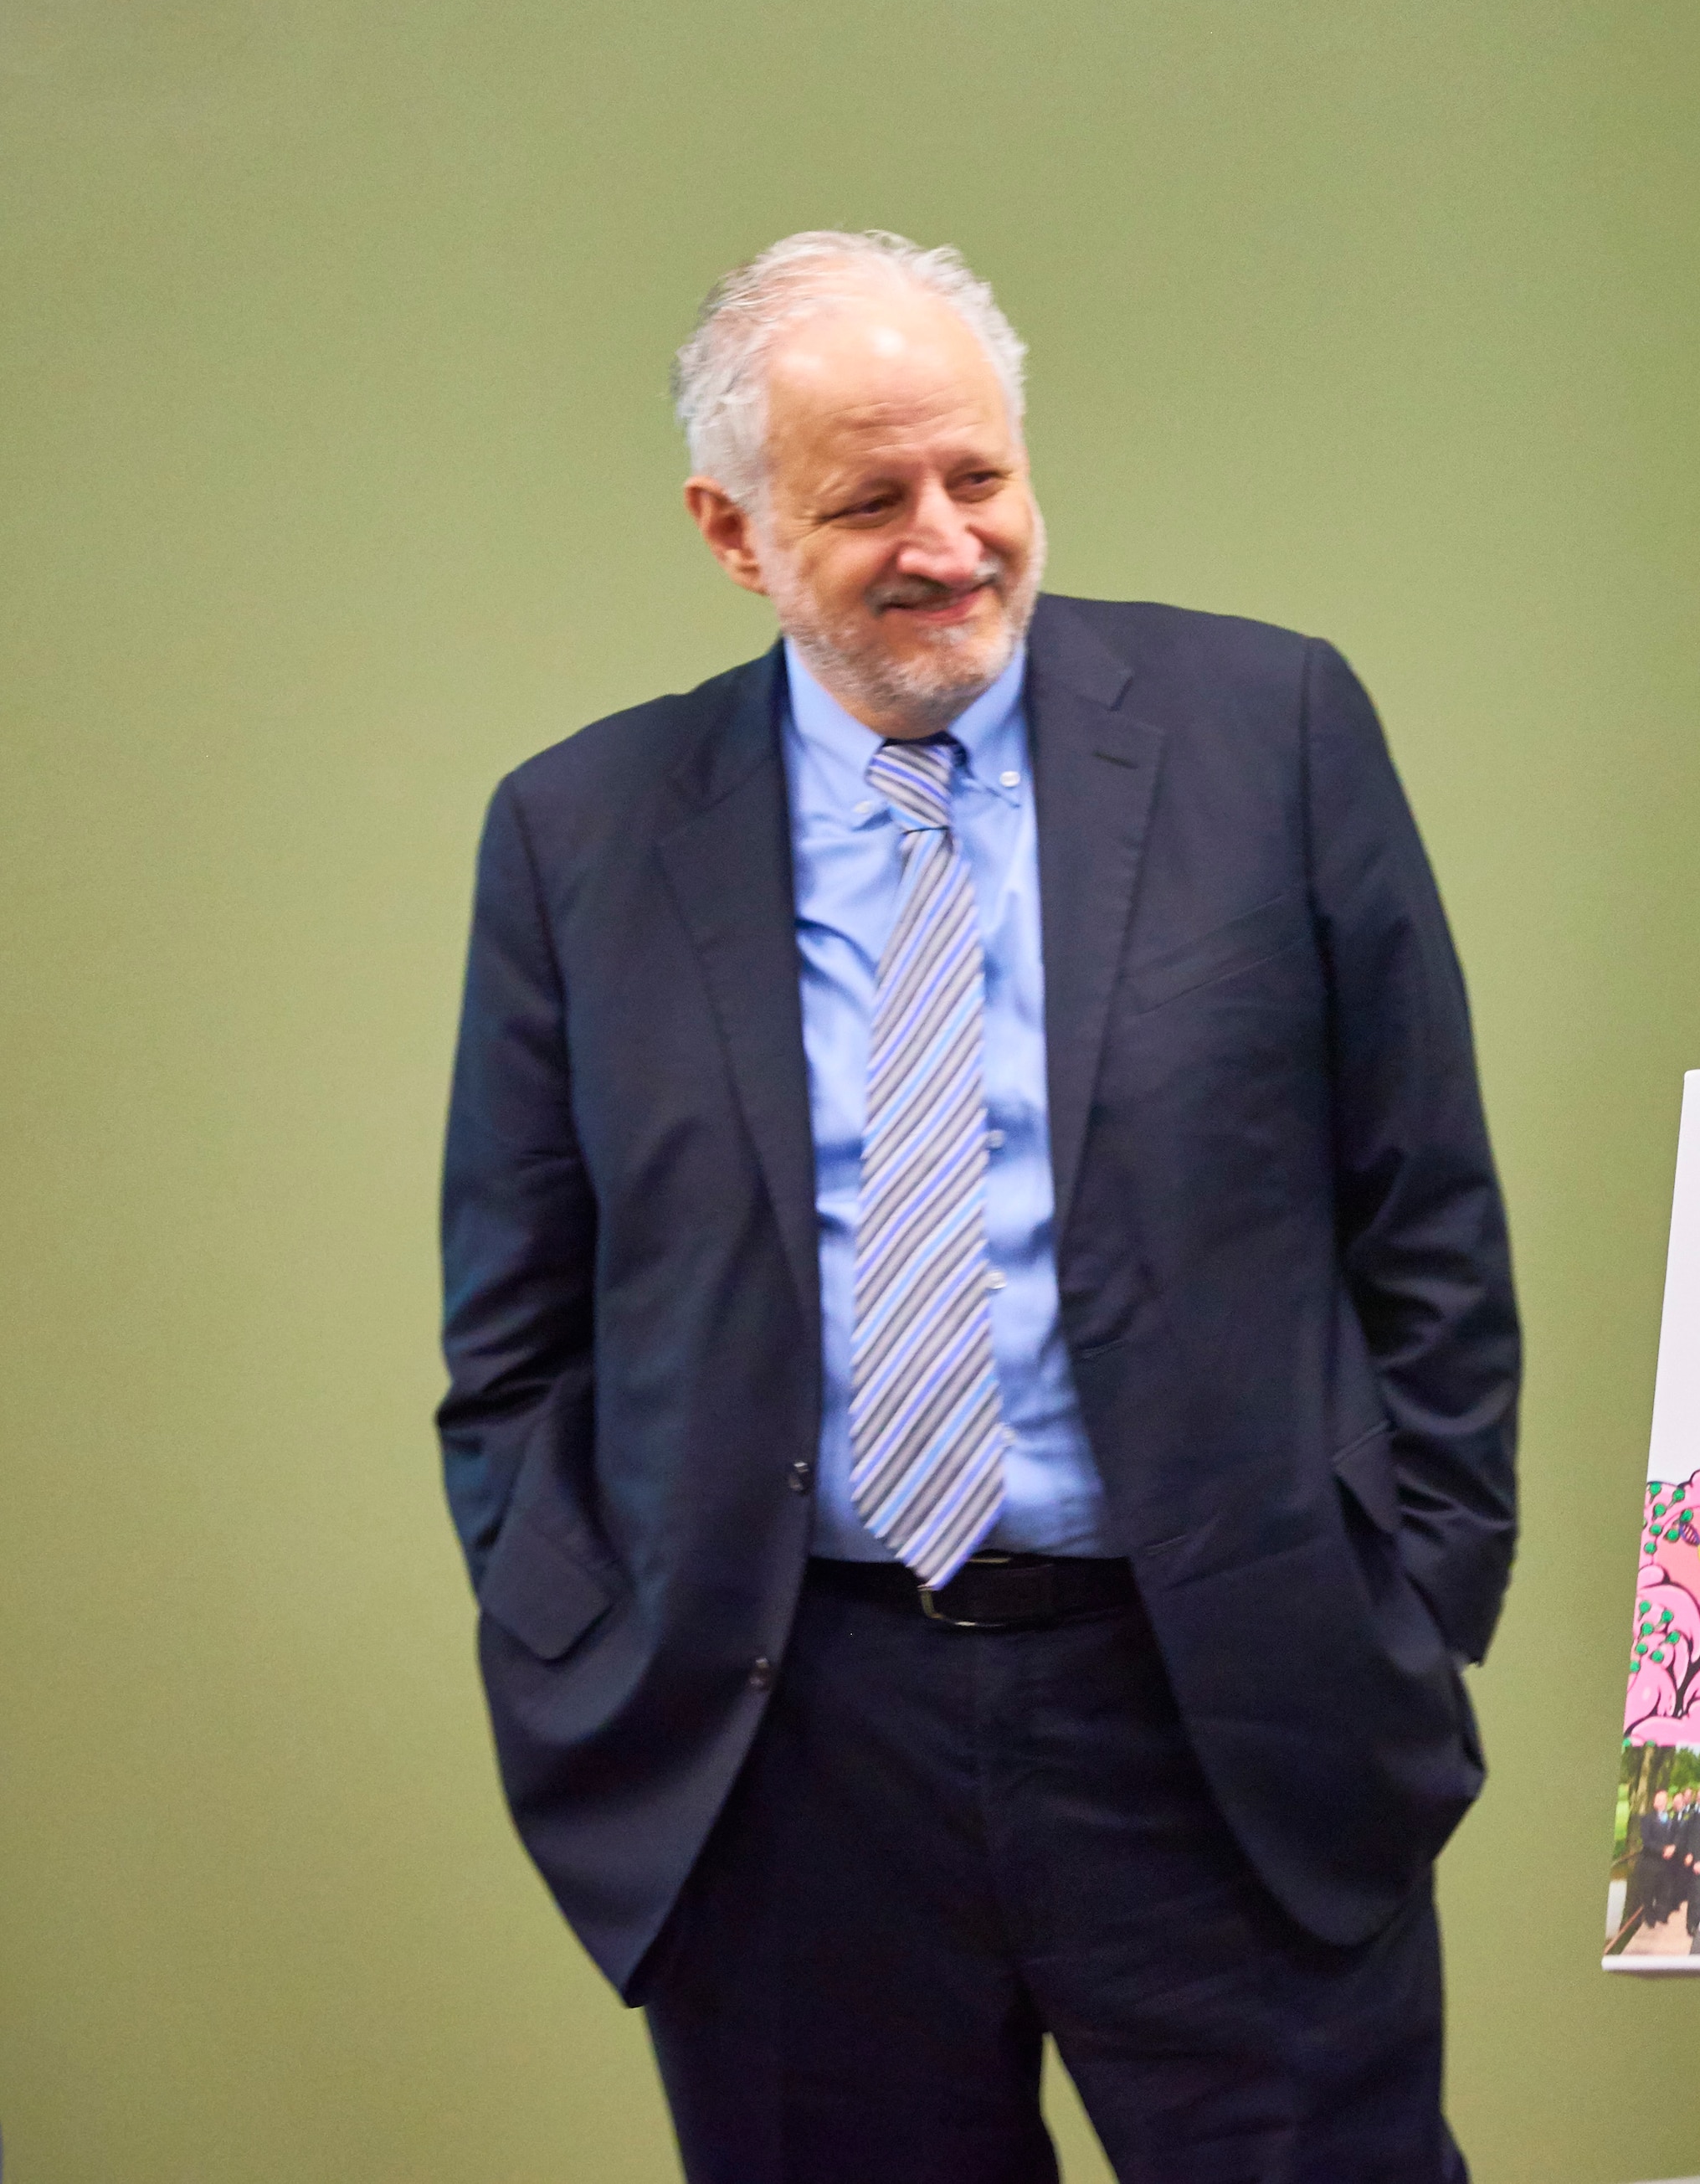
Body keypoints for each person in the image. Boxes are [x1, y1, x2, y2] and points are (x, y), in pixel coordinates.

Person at [439, 232, 1519, 2182]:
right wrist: (572, 1637)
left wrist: (1408, 1583)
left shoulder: (1267, 731)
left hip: (1219, 1698)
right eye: (869, 499)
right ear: (734, 528)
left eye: (982, 475)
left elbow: (1422, 1202)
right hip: (783, 1735)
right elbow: (516, 1321)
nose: (950, 540)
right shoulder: (580, 831)